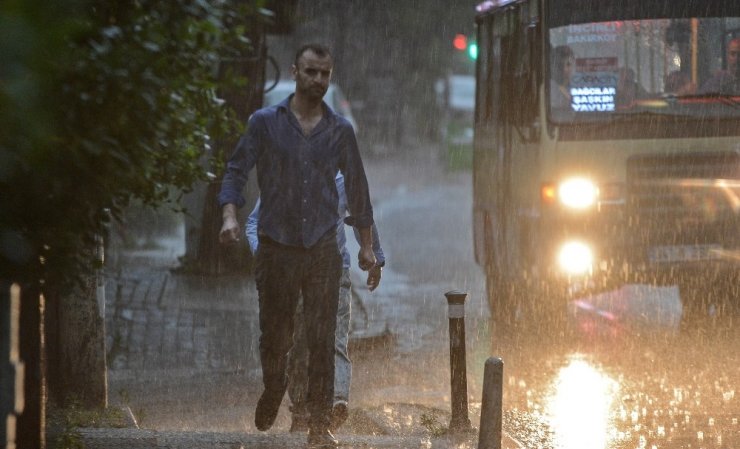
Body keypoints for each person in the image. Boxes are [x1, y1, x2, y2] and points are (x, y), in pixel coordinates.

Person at [218, 43, 377, 449]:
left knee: (322, 338)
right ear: (294, 72)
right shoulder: (265, 123)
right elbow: (236, 169)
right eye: (310, 72)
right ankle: (274, 388)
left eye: (324, 74)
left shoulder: (340, 131)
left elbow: (358, 192)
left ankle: (318, 424)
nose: (317, 81)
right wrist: (230, 216)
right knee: (276, 335)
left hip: (322, 247)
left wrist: (366, 248)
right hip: (276, 246)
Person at [246, 172, 385, 433]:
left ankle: (336, 402)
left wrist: (374, 254)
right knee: (298, 344)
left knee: (334, 339)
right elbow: (254, 223)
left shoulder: (342, 181)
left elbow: (361, 216)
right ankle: (300, 409)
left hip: (334, 271)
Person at [550, 45, 575, 109]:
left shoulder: (567, 84)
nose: (571, 68)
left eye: (573, 63)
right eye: (568, 64)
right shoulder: (552, 88)